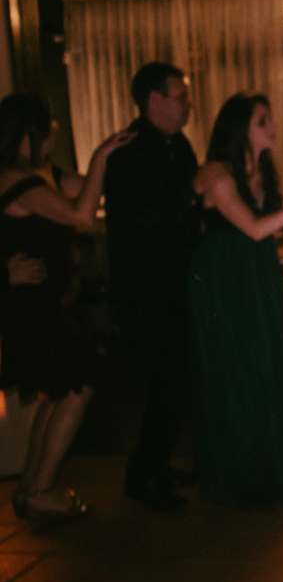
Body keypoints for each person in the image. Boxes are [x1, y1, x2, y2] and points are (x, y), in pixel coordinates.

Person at [0, 93, 131, 523]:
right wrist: (99, 156)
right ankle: (39, 489)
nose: (54, 128)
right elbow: (81, 216)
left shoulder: (43, 174)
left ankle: (31, 487)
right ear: (27, 132)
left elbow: (90, 190)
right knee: (79, 382)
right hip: (28, 306)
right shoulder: (15, 180)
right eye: (48, 121)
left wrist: (115, 165)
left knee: (58, 389)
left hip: (42, 304)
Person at [187, 93, 283, 506]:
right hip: (224, 277)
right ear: (240, 128)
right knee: (237, 370)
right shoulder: (218, 174)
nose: (272, 127)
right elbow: (256, 228)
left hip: (256, 274)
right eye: (263, 121)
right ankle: (241, 475)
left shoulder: (262, 171)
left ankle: (266, 470)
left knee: (266, 365)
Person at [104, 62, 199, 510]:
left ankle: (154, 466)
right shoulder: (130, 151)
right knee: (168, 380)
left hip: (176, 284)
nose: (188, 104)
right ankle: (143, 475)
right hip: (147, 290)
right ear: (154, 100)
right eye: (181, 96)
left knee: (175, 382)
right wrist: (191, 194)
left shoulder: (178, 144)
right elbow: (136, 223)